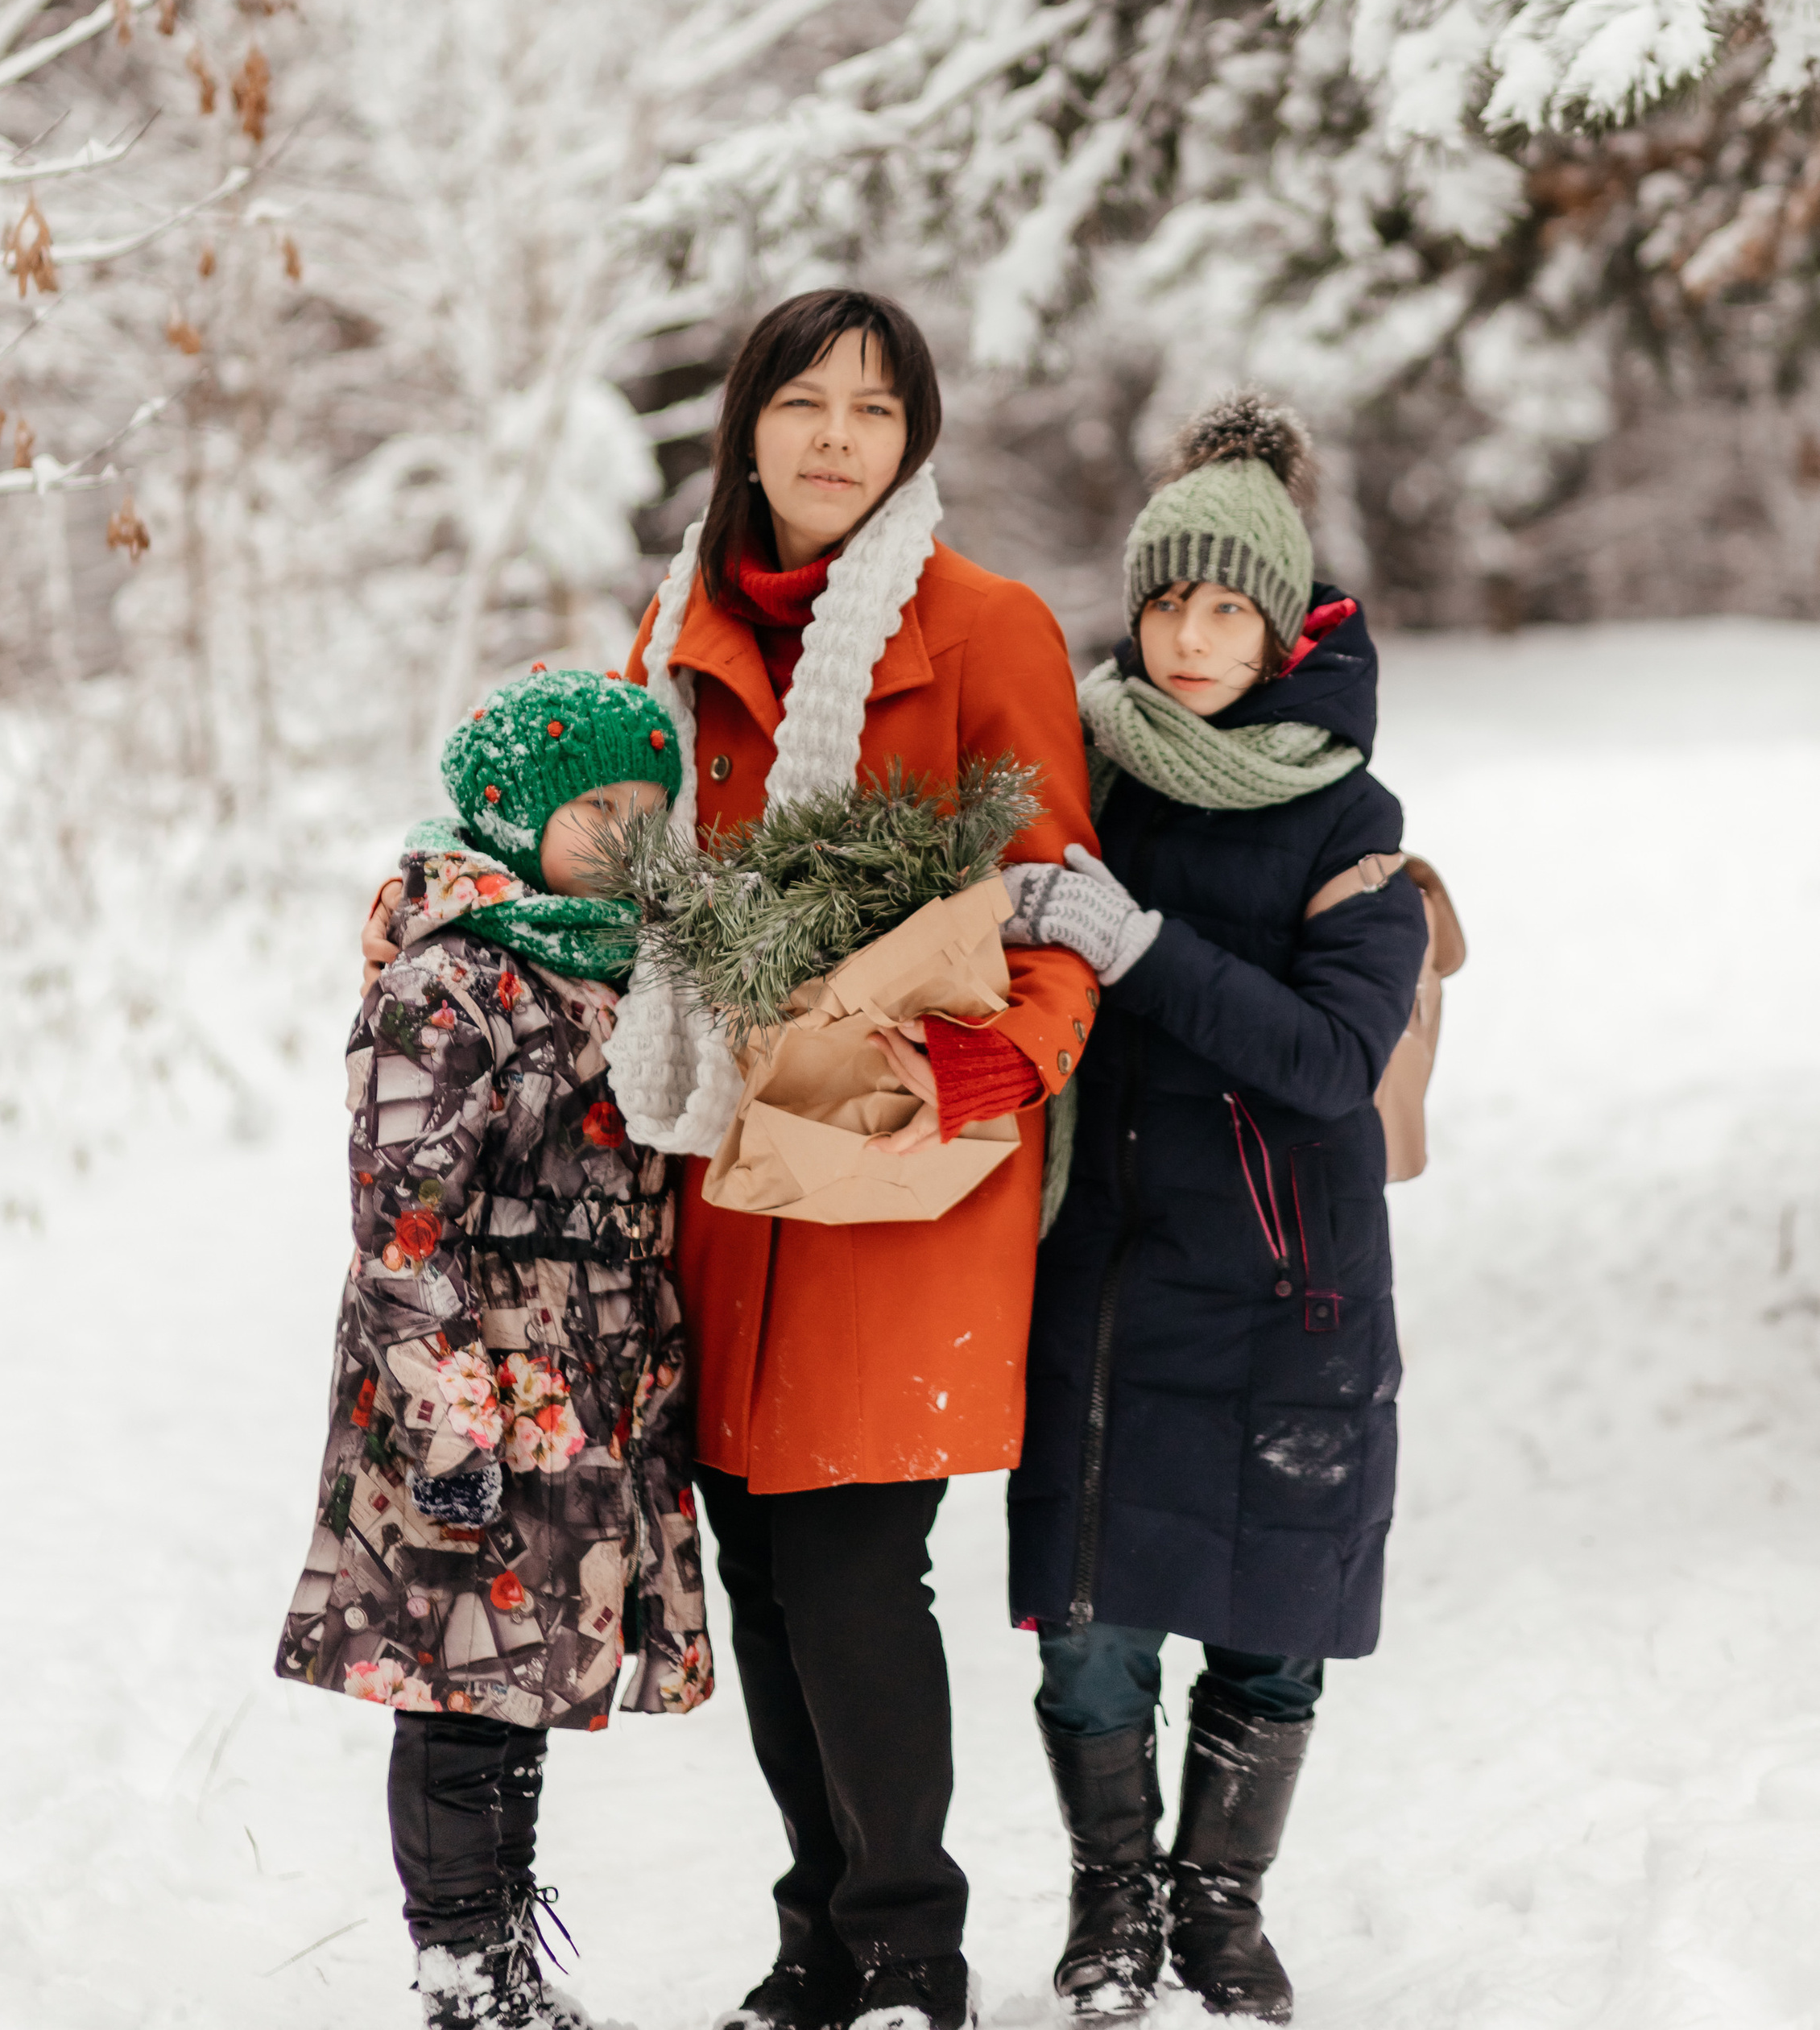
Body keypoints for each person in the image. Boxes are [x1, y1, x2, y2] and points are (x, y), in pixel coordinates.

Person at [609, 287, 1099, 2030]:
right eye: (803, 402)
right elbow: (597, 868)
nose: (834, 438)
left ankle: (908, 1952)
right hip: (716, 1175)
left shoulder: (982, 625)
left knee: (846, 1566)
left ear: (914, 441)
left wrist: (1005, 1050)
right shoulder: (667, 631)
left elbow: (1057, 903)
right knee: (757, 1566)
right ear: (743, 423)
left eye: (875, 412)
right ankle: (814, 1933)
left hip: (898, 1164)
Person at [1000, 394, 1428, 2025]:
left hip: (1285, 1282)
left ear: (1279, 618)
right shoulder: (1080, 778)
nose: (1188, 638)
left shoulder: (1348, 817)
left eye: (1224, 607)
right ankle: (1110, 1901)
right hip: (1103, 1268)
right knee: (1091, 1613)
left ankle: (1219, 1909)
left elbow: (1329, 1056)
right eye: (1166, 602)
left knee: (1267, 1619)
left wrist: (1139, 950)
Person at [282, 669, 714, 2030]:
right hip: (479, 1382)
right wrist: (451, 1422)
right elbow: (400, 1231)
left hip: (592, 1379)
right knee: (461, 1686)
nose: (631, 835)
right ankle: (464, 1971)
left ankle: (507, 1956)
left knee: (521, 1685)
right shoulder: (450, 979)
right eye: (597, 808)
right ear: (513, 813)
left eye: (652, 808)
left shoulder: (626, 963)